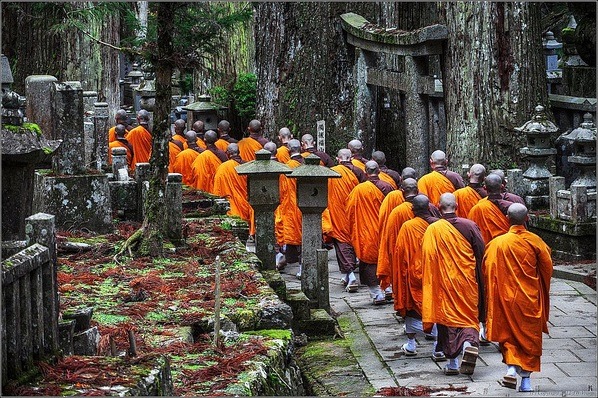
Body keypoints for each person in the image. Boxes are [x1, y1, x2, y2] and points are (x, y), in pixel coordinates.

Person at [483, 203, 553, 392]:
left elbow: (487, 271)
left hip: (505, 297)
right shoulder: (536, 241)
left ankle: (512, 368)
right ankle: (526, 383)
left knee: (509, 335)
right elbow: (547, 269)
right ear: (527, 219)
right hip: (528, 298)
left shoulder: (497, 243)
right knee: (529, 337)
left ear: (507, 218)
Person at [421, 193, 485, 376]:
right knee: (468, 316)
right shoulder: (470, 226)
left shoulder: (433, 229)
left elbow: (427, 258)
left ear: (439, 207)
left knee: (448, 320)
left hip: (444, 283)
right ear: (456, 206)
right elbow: (481, 253)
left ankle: (452, 363)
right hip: (467, 281)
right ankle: (467, 345)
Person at [393, 195, 444, 361]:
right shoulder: (440, 225)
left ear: (412, 210)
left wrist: (400, 276)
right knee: (437, 307)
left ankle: (411, 343)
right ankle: (439, 346)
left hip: (415, 275)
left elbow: (400, 254)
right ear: (429, 207)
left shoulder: (408, 226)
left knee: (413, 309)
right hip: (436, 274)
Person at [378, 178, 440, 304]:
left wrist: (393, 262)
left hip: (407, 260)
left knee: (409, 290)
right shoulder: (431, 208)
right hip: (430, 259)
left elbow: (390, 242)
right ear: (418, 191)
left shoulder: (396, 213)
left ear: (402, 191)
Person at [346, 160, 394, 305]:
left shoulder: (359, 190)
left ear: (365, 172)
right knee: (387, 259)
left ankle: (376, 294)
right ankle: (389, 289)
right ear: (379, 171)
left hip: (366, 233)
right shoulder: (388, 187)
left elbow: (349, 211)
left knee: (368, 262)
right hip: (385, 231)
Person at [322, 148, 366, 293]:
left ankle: (351, 275)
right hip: (354, 213)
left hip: (338, 213)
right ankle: (349, 275)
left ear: (338, 158)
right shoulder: (358, 171)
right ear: (351, 158)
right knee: (354, 240)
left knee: (341, 243)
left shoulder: (332, 172)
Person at [468, 173, 525, 245]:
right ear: (502, 186)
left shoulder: (477, 209)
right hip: (510, 247)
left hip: (488, 251)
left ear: (485, 188)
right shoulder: (512, 208)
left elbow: (472, 233)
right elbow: (522, 231)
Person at [213, 143, 255, 236]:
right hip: (247, 204)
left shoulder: (223, 168)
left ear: (227, 153)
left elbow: (218, 191)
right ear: (239, 152)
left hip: (232, 206)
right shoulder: (248, 166)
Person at [277, 139, 304, 277]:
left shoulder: (287, 168)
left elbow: (282, 191)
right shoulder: (310, 164)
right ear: (302, 148)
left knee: (295, 237)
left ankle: (285, 259)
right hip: (308, 206)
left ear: (288, 151)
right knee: (307, 238)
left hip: (291, 209)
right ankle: (302, 267)